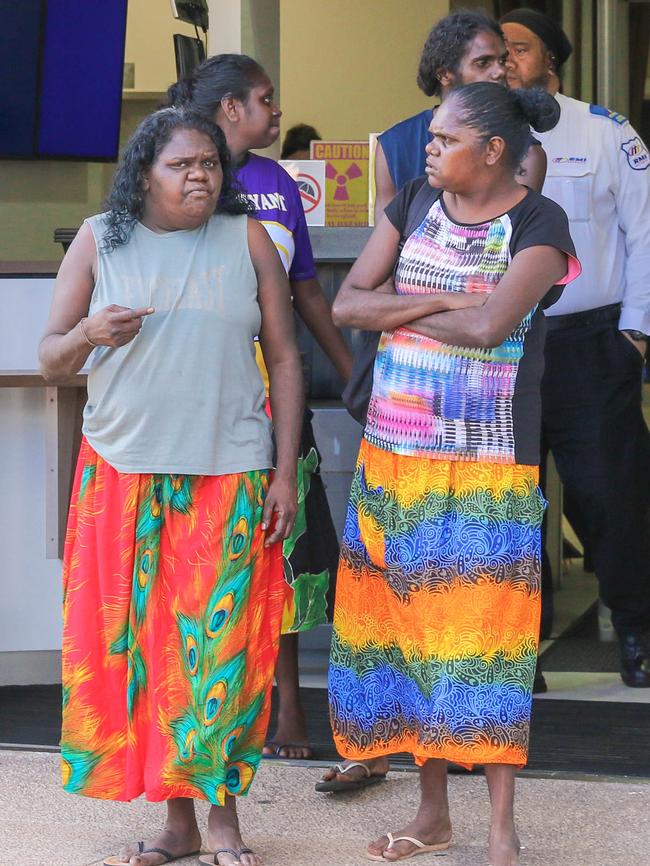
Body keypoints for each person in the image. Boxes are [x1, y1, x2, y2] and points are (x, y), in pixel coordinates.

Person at [38, 107, 303, 866]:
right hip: (123, 474)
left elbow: (284, 359)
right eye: (182, 165)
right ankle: (178, 825)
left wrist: (284, 472)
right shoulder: (100, 239)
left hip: (231, 472)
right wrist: (91, 333)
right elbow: (52, 356)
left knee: (215, 656)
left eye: (210, 165)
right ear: (142, 174)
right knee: (147, 656)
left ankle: (223, 823)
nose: (201, 177)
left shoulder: (248, 238)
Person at [327, 82, 579, 866]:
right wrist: (437, 302)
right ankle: (432, 812)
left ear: (493, 150)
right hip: (394, 457)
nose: (428, 149)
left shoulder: (539, 222)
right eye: (431, 138)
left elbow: (492, 325)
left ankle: (501, 831)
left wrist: (398, 301)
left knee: (485, 643)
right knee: (406, 635)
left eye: (444, 139)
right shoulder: (411, 199)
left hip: (488, 465)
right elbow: (344, 304)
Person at [165, 55, 353, 760]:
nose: (277, 113)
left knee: (289, 542)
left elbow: (305, 291)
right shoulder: (179, 177)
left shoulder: (278, 184)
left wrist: (350, 373)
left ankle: (289, 709)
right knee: (208, 554)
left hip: (276, 395)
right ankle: (201, 712)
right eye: (266, 101)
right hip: (200, 393)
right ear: (230, 109)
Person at [501, 8, 650, 687]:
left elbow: (645, 231)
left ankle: (638, 631)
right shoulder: (478, 137)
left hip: (592, 344)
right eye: (494, 50)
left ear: (550, 62)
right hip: (503, 345)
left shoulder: (605, 132)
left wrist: (637, 333)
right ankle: (512, 647)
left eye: (519, 49)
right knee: (508, 500)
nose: (504, 61)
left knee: (610, 496)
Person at [374, 10, 546, 222]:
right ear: (445, 74)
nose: (500, 71)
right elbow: (383, 239)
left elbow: (504, 236)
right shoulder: (394, 144)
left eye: (501, 61)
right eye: (483, 63)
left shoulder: (526, 152)